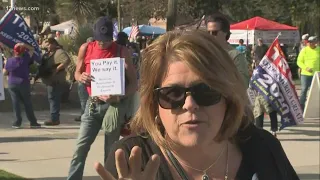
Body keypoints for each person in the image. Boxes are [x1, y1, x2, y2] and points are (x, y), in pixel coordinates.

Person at [94, 30, 299, 180]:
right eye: (172, 93)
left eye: (206, 91)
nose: (190, 105)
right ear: (153, 103)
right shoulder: (132, 159)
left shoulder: (262, 148)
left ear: (228, 97)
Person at [67, 16, 137, 180]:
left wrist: (119, 97)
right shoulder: (86, 48)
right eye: (99, 40)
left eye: (106, 40)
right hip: (93, 104)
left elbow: (134, 84)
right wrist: (80, 77)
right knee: (80, 147)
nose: (103, 43)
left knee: (110, 150)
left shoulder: (121, 51)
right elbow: (77, 72)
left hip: (113, 106)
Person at [2, 43, 41, 129]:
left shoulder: (9, 61)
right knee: (27, 103)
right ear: (23, 51)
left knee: (16, 104)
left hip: (12, 83)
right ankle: (33, 122)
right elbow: (32, 49)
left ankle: (17, 122)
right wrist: (23, 44)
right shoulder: (25, 58)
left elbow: (4, 73)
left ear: (14, 51)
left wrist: (5, 63)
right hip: (23, 83)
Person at [206, 15, 249, 87]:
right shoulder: (203, 52)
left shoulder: (236, 55)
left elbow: (243, 84)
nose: (210, 36)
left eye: (214, 33)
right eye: (208, 33)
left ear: (225, 32)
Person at [40, 38, 71, 126]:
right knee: (52, 99)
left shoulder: (59, 52)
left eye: (49, 44)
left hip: (56, 81)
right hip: (50, 81)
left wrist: (57, 69)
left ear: (54, 44)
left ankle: (54, 119)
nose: (47, 46)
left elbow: (66, 61)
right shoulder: (49, 53)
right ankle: (54, 118)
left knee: (54, 99)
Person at [297, 36, 320, 111]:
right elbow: (299, 62)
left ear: (315, 43)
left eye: (312, 42)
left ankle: (315, 107)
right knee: (304, 90)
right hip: (305, 74)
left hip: (317, 75)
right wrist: (306, 68)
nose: (310, 44)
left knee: (316, 91)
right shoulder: (304, 50)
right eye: (309, 42)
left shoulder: (318, 50)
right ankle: (301, 107)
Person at [74, 37, 93, 122]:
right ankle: (84, 116)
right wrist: (80, 77)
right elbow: (77, 71)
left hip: (95, 80)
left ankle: (87, 116)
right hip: (83, 80)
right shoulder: (83, 52)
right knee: (84, 101)